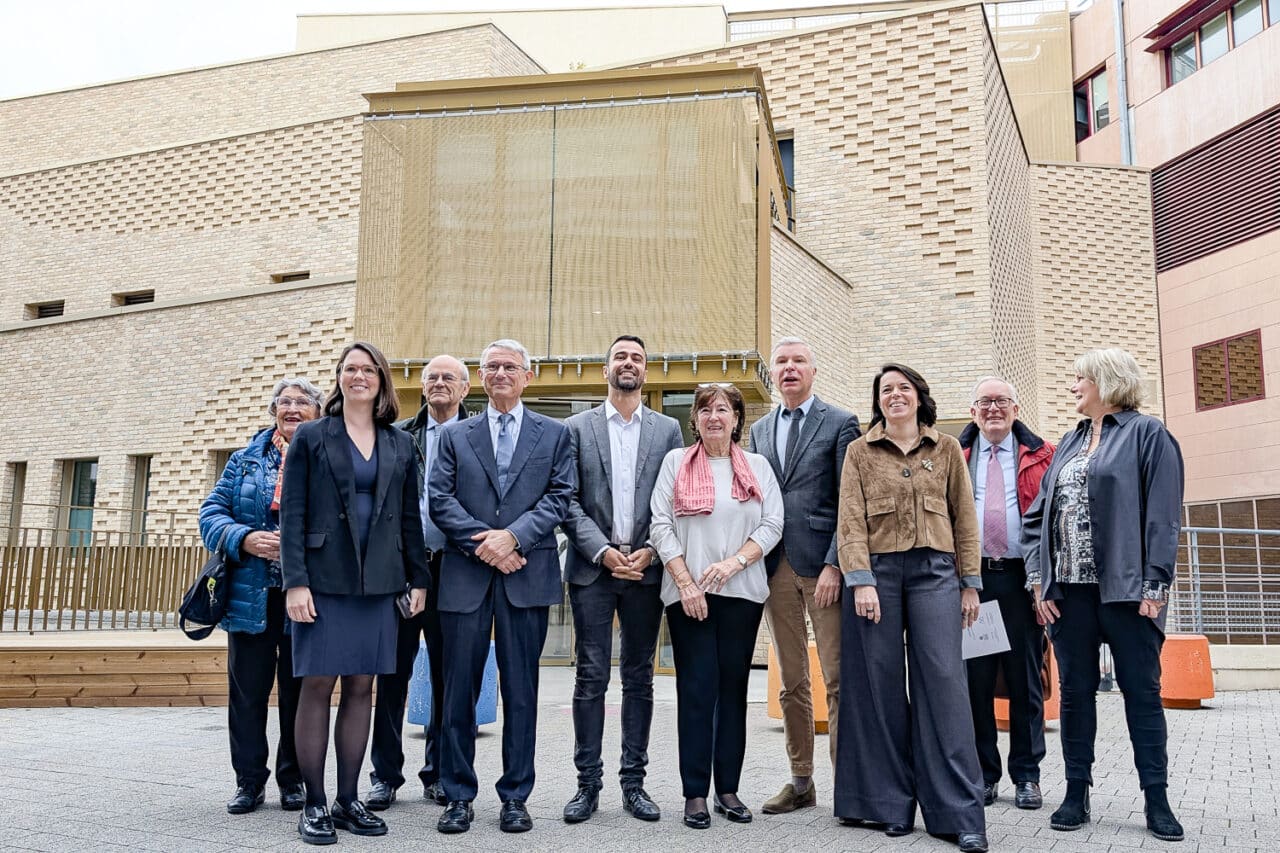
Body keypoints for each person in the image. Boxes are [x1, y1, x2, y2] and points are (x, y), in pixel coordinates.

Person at [1021, 348, 1185, 841]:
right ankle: (1076, 793)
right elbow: (1037, 521)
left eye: (1080, 379)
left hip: (1129, 594)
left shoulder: (1147, 434)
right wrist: (1039, 582)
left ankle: (1157, 800)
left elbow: (1162, 514)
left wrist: (1155, 585)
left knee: (1143, 694)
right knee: (1074, 696)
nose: (1074, 387)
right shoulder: (1069, 441)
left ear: (1105, 381)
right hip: (1069, 596)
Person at [280, 341, 429, 845]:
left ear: (382, 380)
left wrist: (419, 579)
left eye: (367, 370)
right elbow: (293, 513)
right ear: (339, 378)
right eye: (349, 369)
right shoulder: (312, 437)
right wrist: (294, 582)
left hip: (379, 585)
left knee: (363, 689)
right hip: (323, 581)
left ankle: (348, 799)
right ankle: (315, 804)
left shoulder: (400, 443)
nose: (358, 377)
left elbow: (410, 519)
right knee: (317, 687)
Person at [835, 363, 988, 853]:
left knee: (944, 683)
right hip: (878, 576)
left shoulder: (945, 449)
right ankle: (889, 805)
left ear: (919, 397)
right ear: (877, 400)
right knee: (877, 684)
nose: (895, 396)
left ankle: (959, 816)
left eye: (903, 388)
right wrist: (860, 581)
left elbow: (965, 516)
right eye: (886, 390)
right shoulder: (859, 451)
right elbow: (851, 521)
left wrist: (970, 583)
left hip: (936, 575)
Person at [429, 338, 576, 835]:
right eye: (491, 366)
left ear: (527, 376)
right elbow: (439, 499)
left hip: (525, 575)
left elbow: (560, 498)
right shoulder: (455, 436)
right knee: (457, 692)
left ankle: (515, 796)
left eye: (510, 366)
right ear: (481, 375)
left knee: (521, 692)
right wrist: (485, 543)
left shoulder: (554, 434)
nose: (500, 374)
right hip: (466, 577)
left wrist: (513, 537)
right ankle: (457, 795)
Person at [560, 335, 684, 824]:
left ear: (645, 371)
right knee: (590, 678)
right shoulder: (576, 427)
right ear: (606, 367)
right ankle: (586, 785)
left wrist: (652, 551)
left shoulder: (668, 428)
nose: (627, 363)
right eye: (620, 357)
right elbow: (566, 499)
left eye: (636, 358)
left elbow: (674, 497)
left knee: (639, 678)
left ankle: (634, 784)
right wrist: (605, 552)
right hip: (594, 570)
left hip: (647, 572)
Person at [649, 383, 784, 830]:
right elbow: (661, 525)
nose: (713, 417)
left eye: (722, 409)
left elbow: (772, 523)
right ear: (695, 420)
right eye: (704, 410)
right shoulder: (675, 463)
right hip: (688, 596)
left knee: (732, 694)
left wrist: (734, 563)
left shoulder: (758, 467)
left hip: (740, 593)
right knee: (696, 692)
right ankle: (694, 794)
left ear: (736, 419)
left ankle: (728, 788)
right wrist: (686, 583)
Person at [199, 376, 323, 816]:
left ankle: (294, 781)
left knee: (298, 693)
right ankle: (249, 782)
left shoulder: (327, 456)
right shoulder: (244, 461)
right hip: (250, 594)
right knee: (247, 694)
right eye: (284, 402)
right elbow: (210, 513)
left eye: (302, 402)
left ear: (318, 411)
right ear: (273, 411)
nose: (292, 409)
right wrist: (244, 537)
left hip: (304, 597)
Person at [748, 337, 860, 814]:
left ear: (813, 371)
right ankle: (801, 781)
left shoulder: (839, 423)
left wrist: (836, 561)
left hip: (824, 569)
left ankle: (849, 785)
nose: (789, 368)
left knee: (837, 678)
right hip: (775, 568)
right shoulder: (758, 429)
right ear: (772, 374)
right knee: (792, 681)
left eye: (798, 361)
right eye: (781, 362)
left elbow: (849, 500)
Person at [367, 355, 471, 811]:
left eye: (450, 377)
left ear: (467, 388)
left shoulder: (478, 435)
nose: (440, 384)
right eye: (432, 378)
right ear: (422, 387)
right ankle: (385, 775)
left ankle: (441, 773)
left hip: (459, 570)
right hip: (405, 570)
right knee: (393, 673)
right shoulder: (398, 435)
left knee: (451, 677)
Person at [958, 376, 1054, 810]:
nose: (993, 409)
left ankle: (1027, 775)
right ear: (973, 411)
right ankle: (984, 774)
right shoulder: (955, 455)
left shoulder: (1041, 455)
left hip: (1021, 581)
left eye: (1002, 402)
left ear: (1016, 409)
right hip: (973, 583)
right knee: (975, 683)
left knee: (1025, 681)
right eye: (985, 402)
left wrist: (1046, 584)